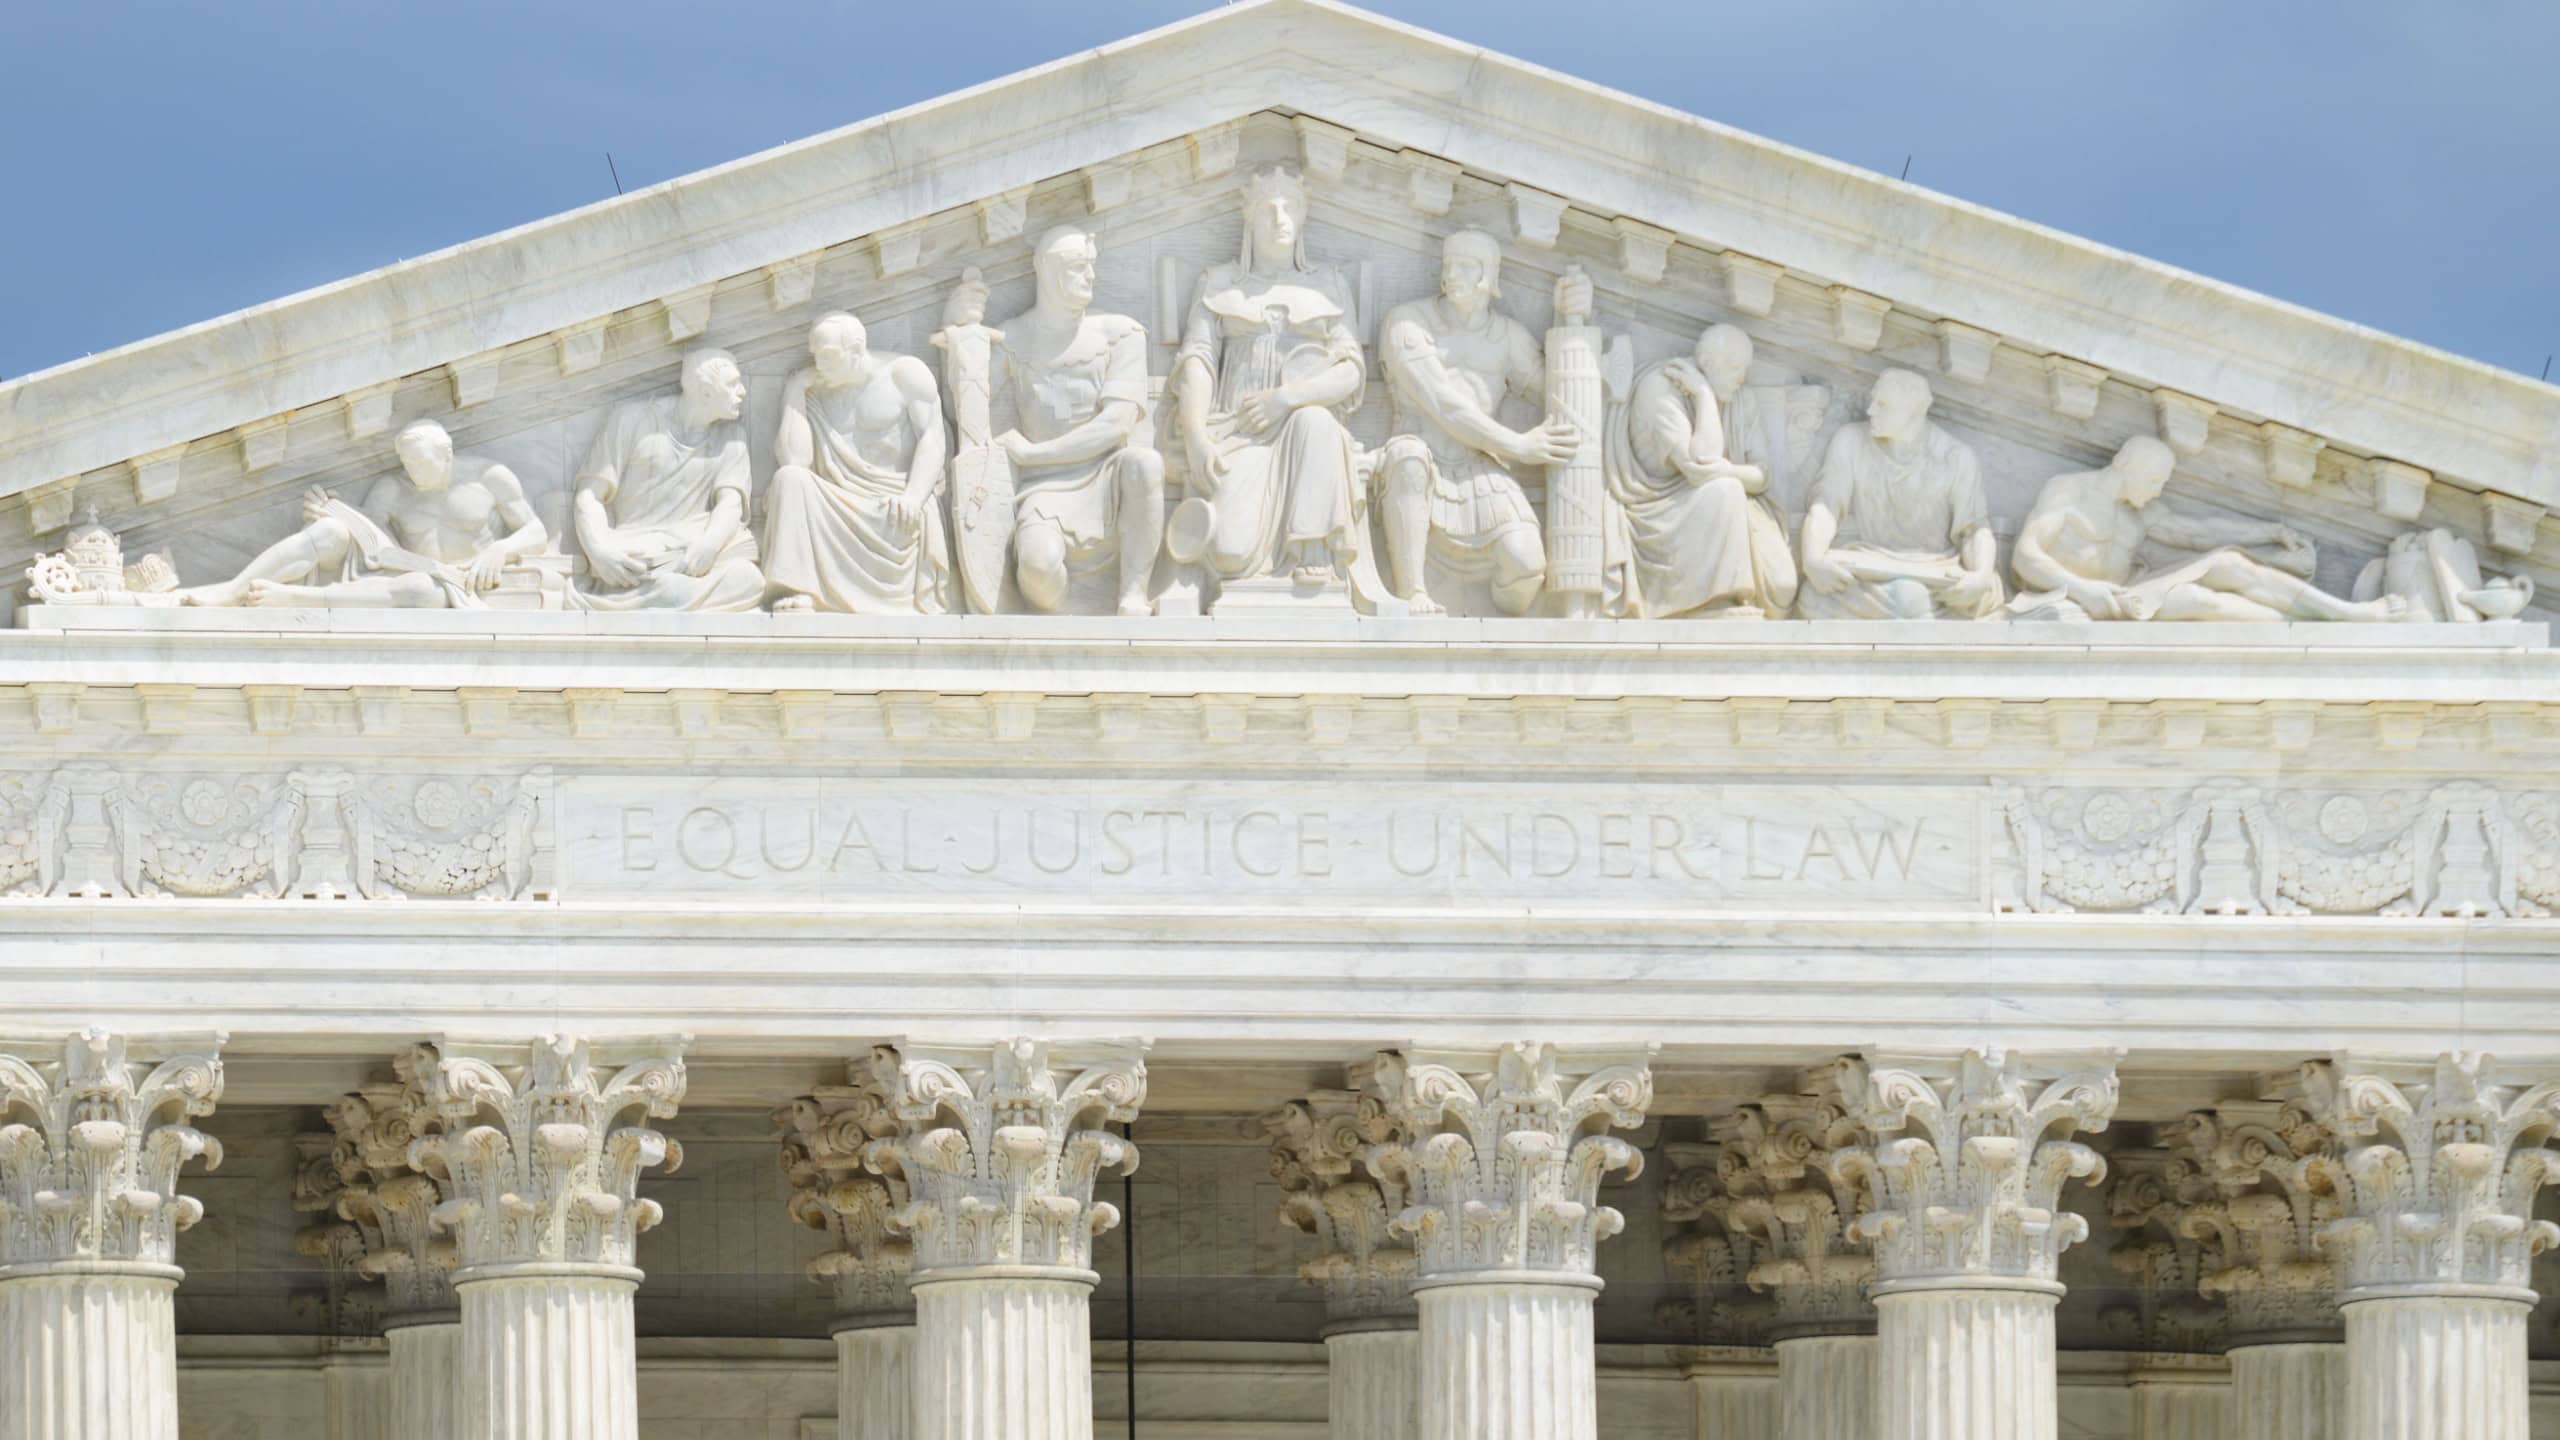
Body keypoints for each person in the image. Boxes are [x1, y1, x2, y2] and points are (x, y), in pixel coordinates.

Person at [948, 226, 1165, 616]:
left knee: (1145, 463)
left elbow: (1117, 424)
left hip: (1106, 476)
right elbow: (966, 411)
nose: (1092, 276)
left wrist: (1034, 453)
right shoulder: (1013, 337)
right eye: (1079, 266)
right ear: (1047, 271)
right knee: (1038, 567)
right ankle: (1066, 623)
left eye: (1092, 265)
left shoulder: (1120, 333)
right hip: (1043, 488)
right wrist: (961, 329)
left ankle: (1132, 592)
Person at [1168, 167, 1366, 585]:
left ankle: (1312, 546)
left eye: (1290, 207)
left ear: (1304, 216)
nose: (1280, 219)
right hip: (1236, 433)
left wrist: (1287, 398)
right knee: (1228, 551)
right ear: (1249, 219)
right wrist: (1196, 438)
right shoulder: (1217, 283)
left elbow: (1350, 371)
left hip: (1307, 437)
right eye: (1267, 210)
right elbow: (1197, 362)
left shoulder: (1329, 285)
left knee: (1315, 420)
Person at [1374, 228, 1579, 615]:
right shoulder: (1407, 323)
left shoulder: (1508, 336)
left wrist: (1572, 319)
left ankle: (1497, 637)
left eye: (1464, 266)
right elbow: (1441, 402)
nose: (1451, 274)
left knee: (1527, 566)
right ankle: (1412, 592)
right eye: (1448, 265)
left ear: (1488, 276)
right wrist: (1518, 445)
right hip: (1420, 455)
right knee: (1408, 458)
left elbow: (1557, 393)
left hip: (1478, 465)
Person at [2012, 435, 2409, 622]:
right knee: (2200, 601)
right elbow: (2026, 555)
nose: (2156, 493)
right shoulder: (2068, 491)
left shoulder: (2138, 513)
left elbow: (2197, 533)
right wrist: (2082, 589)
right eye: (2154, 483)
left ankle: (2342, 614)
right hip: (2075, 601)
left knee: (2232, 563)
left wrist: (2270, 531)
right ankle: (2306, 630)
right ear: (2126, 465)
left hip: (2129, 594)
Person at [178, 419, 543, 609]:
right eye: (405, 462)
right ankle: (231, 590)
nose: (411, 470)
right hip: (398, 572)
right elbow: (371, 545)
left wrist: (501, 550)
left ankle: (297, 599)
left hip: (455, 585)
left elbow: (536, 532)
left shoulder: (488, 476)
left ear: (446, 452)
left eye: (419, 461)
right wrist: (329, 513)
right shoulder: (392, 488)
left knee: (423, 590)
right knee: (333, 531)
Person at [762, 312, 954, 614]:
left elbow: (933, 438)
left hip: (893, 508)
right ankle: (799, 588)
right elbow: (795, 460)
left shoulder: (904, 373)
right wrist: (795, 390)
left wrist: (914, 497)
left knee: (902, 510)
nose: (820, 365)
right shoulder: (816, 388)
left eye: (829, 355)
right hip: (837, 508)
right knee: (789, 479)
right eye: (815, 356)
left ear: (856, 347)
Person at [1601, 323, 1797, 618]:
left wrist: (1729, 470)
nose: (1742, 377)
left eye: (1744, 368)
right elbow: (1702, 462)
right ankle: (1716, 602)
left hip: (1719, 506)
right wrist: (1704, 394)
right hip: (1656, 509)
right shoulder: (1660, 387)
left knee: (1783, 587)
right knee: (1726, 491)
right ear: (1705, 364)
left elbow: (1762, 475)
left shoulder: (1741, 398)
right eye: (1733, 368)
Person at [569, 348, 766, 613]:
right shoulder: (630, 420)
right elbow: (588, 495)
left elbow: (730, 504)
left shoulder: (732, 437)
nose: (742, 391)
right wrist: (598, 552)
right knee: (669, 589)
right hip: (639, 554)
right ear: (705, 392)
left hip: (696, 554)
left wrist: (708, 546)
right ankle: (653, 598)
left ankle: (655, 600)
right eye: (732, 384)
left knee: (749, 580)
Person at [1797, 368, 2004, 620]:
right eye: (1874, 400)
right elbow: (1826, 506)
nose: (1871, 410)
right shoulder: (1850, 441)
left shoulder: (1956, 457)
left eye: (1882, 404)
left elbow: (1974, 529)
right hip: (1869, 564)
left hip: (1937, 570)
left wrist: (1981, 576)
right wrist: (1813, 559)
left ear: (1916, 411)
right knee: (1812, 594)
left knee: (1916, 598)